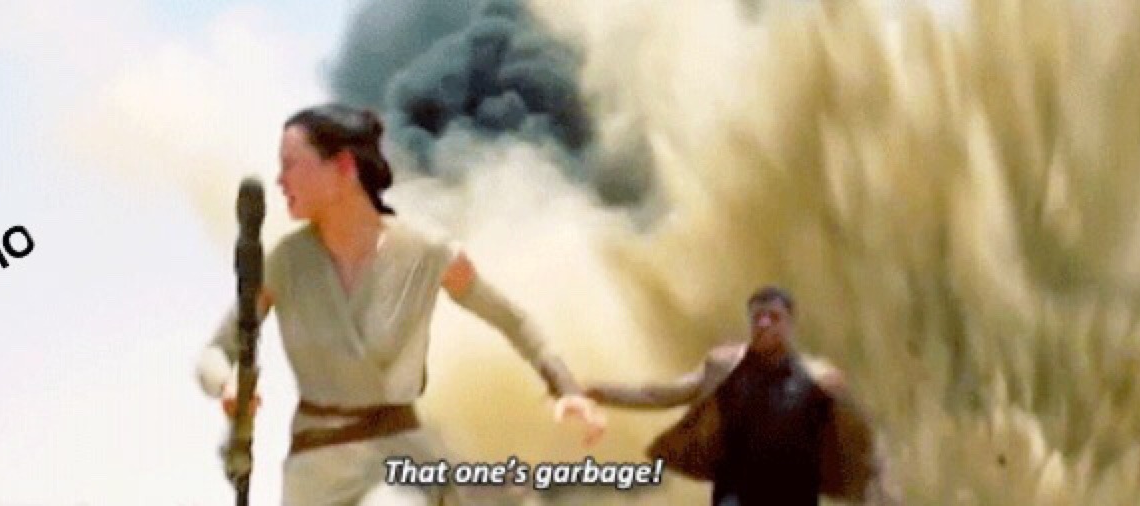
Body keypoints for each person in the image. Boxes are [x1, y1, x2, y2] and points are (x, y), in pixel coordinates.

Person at [194, 103, 606, 505]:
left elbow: (512, 320)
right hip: (316, 470)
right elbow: (215, 353)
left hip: (402, 458)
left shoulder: (426, 252)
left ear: (343, 167)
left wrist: (565, 387)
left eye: (291, 165)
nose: (280, 180)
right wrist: (226, 385)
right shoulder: (285, 263)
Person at [585, 286, 898, 506]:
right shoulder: (724, 368)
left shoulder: (820, 379)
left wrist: (885, 493)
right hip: (735, 495)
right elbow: (660, 395)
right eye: (757, 316)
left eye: (773, 317)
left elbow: (865, 438)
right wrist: (599, 393)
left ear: (789, 324)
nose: (763, 324)